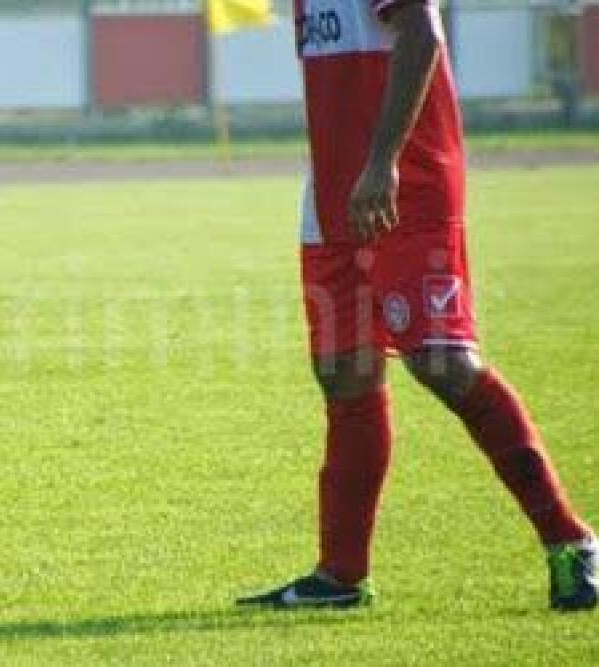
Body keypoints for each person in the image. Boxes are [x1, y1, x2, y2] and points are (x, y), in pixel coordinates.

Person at [238, 0, 595, 610]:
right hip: (332, 192)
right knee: (344, 372)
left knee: (442, 361)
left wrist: (383, 164)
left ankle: (571, 540)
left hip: (406, 184)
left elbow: (422, 35)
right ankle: (340, 575)